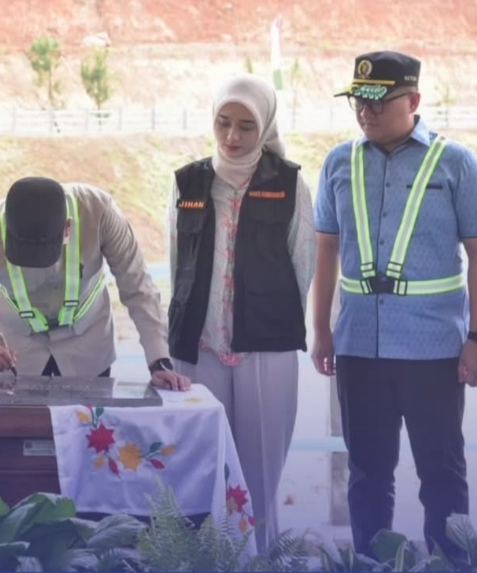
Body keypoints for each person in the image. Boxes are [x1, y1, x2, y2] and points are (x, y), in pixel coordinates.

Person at [312, 51, 477, 560]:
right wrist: (321, 330)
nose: (366, 112)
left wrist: (475, 338)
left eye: (379, 101)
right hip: (359, 345)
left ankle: (450, 564)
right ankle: (371, 564)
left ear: (414, 100)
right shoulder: (339, 163)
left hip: (434, 348)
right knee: (367, 473)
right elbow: (325, 249)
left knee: (441, 472)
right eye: (358, 101)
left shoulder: (456, 163)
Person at [167, 74, 316, 552]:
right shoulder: (188, 182)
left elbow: (303, 263)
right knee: (202, 467)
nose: (232, 136)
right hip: (199, 345)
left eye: (246, 126)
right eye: (223, 122)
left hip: (266, 349)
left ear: (265, 126)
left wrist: (266, 318)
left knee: (259, 475)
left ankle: (260, 559)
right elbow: (177, 262)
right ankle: (205, 560)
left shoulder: (289, 183)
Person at [0, 176, 190, 391]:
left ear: (67, 228)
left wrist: (159, 361)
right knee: (17, 428)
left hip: (87, 348)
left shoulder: (100, 213)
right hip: (17, 353)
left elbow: (138, 289)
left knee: (89, 428)